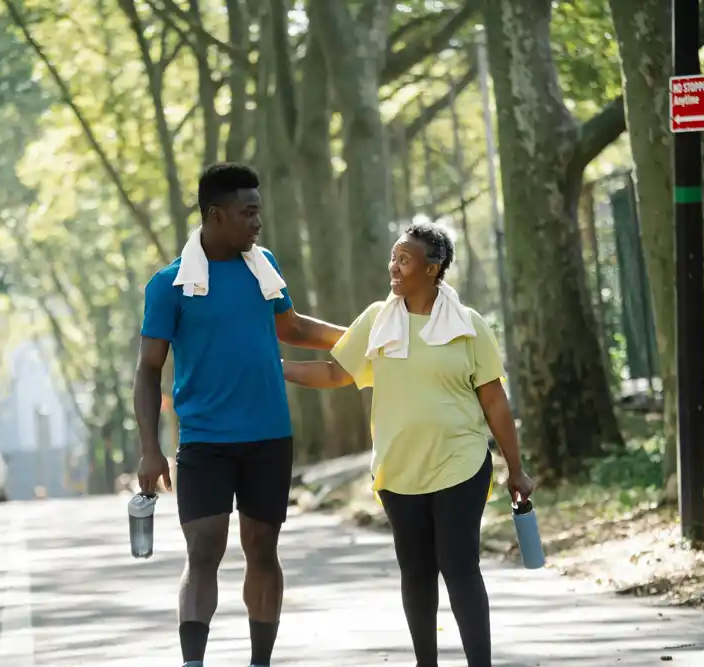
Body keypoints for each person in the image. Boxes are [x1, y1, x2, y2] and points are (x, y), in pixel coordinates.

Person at [282, 221, 533, 667]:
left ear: (433, 269)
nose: (393, 267)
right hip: (399, 471)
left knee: (459, 569)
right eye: (393, 258)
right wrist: (275, 365)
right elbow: (335, 373)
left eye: (404, 259)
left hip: (460, 463)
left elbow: (494, 401)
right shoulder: (378, 319)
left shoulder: (469, 325)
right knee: (416, 574)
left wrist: (516, 469)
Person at [134, 163, 346, 667]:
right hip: (205, 441)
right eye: (248, 212)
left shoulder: (263, 264)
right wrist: (149, 447)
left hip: (269, 437)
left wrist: (360, 334)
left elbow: (291, 328)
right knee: (204, 549)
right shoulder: (169, 286)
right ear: (216, 215)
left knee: (262, 551)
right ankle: (193, 662)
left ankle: (259, 663)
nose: (257, 221)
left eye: (259, 211)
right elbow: (147, 370)